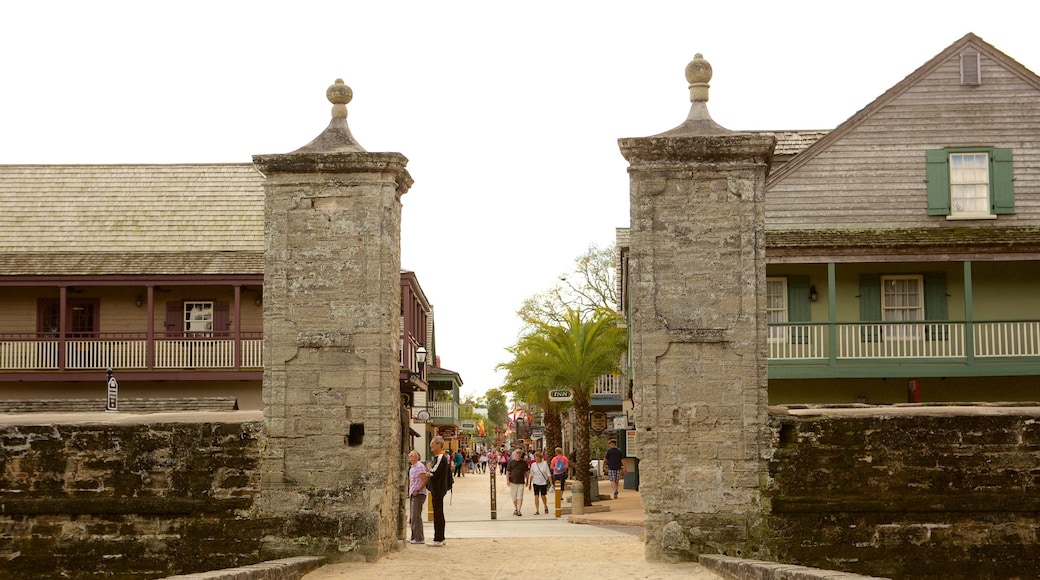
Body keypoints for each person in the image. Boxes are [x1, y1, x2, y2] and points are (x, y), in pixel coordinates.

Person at [426, 436, 451, 546]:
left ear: (439, 445)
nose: (431, 445)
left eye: (433, 443)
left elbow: (434, 472)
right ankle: (440, 537)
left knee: (438, 514)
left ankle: (438, 539)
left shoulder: (441, 457)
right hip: (437, 489)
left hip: (438, 489)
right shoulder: (438, 457)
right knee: (438, 513)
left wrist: (429, 470)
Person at [406, 449, 429, 544]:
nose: (410, 456)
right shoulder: (412, 468)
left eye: (412, 455)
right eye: (410, 455)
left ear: (417, 457)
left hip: (418, 494)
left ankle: (419, 538)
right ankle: (414, 536)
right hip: (413, 493)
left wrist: (418, 490)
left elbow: (424, 480)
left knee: (416, 516)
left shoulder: (420, 466)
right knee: (412, 516)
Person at [506, 449, 530, 516]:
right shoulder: (511, 462)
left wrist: (527, 481)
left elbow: (526, 472)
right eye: (517, 453)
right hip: (513, 482)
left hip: (521, 482)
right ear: (515, 454)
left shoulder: (524, 463)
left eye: (519, 454)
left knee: (520, 496)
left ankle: (519, 510)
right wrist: (507, 480)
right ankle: (516, 508)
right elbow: (508, 472)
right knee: (514, 497)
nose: (518, 455)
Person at [528, 451, 552, 515]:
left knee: (543, 496)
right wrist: (529, 484)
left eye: (538, 457)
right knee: (536, 496)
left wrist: (551, 483)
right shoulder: (533, 465)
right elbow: (531, 474)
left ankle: (545, 506)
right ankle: (537, 510)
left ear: (540, 458)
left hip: (543, 482)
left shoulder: (545, 464)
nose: (536, 459)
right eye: (535, 458)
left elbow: (548, 474)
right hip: (535, 482)